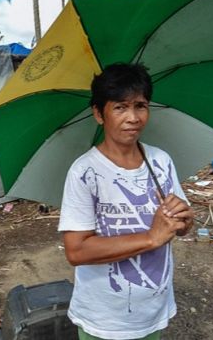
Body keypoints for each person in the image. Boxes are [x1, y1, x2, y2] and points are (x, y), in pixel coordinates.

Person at [58, 63, 195, 340]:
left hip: (153, 310)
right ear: (99, 114)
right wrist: (151, 238)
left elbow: (180, 225)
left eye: (141, 106)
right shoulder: (84, 172)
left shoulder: (161, 161)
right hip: (104, 319)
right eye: (120, 107)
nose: (133, 117)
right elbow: (77, 251)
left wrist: (184, 221)